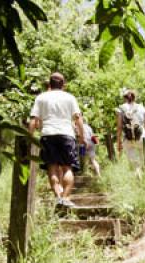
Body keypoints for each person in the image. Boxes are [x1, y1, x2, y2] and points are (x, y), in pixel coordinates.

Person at [28, 72, 85, 207]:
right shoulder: (70, 98)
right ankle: (65, 198)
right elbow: (78, 118)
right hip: (66, 134)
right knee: (67, 168)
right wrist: (82, 137)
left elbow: (33, 120)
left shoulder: (41, 98)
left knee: (52, 168)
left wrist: (28, 138)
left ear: (50, 83)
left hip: (48, 134)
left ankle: (58, 196)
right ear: (63, 84)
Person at [116, 89, 145, 176]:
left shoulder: (121, 109)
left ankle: (138, 177)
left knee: (135, 165)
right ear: (135, 97)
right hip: (142, 137)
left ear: (124, 98)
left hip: (128, 139)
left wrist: (118, 143)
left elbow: (119, 128)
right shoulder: (142, 108)